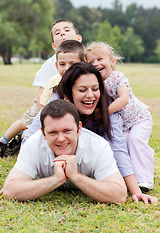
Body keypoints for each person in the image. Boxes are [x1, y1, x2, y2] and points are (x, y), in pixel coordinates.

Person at [23, 62, 157, 205]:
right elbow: (31, 138)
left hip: (90, 164)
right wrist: (22, 181)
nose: (90, 96)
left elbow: (118, 149)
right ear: (68, 93)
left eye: (95, 89)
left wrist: (136, 192)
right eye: (82, 90)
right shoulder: (56, 104)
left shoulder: (108, 110)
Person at [3, 99, 127, 203]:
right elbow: (10, 190)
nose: (61, 138)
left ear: (79, 128)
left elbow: (119, 195)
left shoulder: (98, 146)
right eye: (53, 132)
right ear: (43, 133)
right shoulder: (33, 144)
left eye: (67, 131)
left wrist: (76, 176)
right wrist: (55, 179)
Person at [0, 19, 82, 157]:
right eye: (58, 32)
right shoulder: (50, 65)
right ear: (54, 46)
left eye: (67, 30)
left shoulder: (82, 59)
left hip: (64, 104)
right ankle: (3, 141)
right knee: (25, 122)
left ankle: (22, 137)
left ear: (78, 39)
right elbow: (42, 93)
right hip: (44, 102)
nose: (62, 33)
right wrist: (42, 113)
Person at [85, 42, 155, 191]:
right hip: (122, 124)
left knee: (136, 141)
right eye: (91, 62)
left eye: (99, 59)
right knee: (121, 145)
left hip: (138, 119)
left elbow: (124, 99)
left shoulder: (117, 77)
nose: (95, 64)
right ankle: (127, 177)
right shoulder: (95, 83)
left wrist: (103, 113)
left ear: (112, 61)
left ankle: (144, 180)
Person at [39, 39, 85, 108]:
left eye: (72, 64)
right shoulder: (53, 82)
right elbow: (43, 106)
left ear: (83, 64)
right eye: (62, 64)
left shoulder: (87, 80)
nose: (66, 68)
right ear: (57, 66)